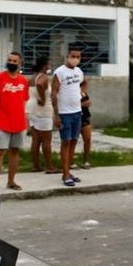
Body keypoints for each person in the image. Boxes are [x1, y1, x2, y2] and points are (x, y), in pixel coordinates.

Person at [0, 51, 30, 190]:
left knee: (15, 151)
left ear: (20, 63)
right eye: (10, 60)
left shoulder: (24, 81)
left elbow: (24, 100)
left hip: (19, 122)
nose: (11, 63)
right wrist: (4, 108)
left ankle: (11, 181)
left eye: (14, 61)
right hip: (3, 121)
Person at [51, 45, 88, 187]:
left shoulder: (79, 71)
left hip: (77, 112)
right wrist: (56, 115)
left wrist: (83, 94)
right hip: (64, 113)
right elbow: (53, 93)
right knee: (65, 142)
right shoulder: (60, 72)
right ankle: (65, 173)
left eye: (78, 57)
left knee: (73, 141)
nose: (75, 59)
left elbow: (84, 82)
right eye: (73, 56)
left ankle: (68, 170)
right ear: (67, 56)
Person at [27, 56, 57, 173]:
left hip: (32, 109)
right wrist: (43, 99)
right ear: (45, 65)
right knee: (46, 140)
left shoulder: (32, 77)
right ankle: (49, 166)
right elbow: (40, 85)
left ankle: (35, 165)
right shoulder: (43, 76)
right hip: (43, 111)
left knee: (35, 140)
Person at [79, 92, 93, 169]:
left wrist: (87, 103)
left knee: (87, 139)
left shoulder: (83, 92)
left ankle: (86, 161)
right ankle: (70, 161)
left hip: (85, 116)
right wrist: (81, 105)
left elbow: (87, 101)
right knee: (72, 140)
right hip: (75, 116)